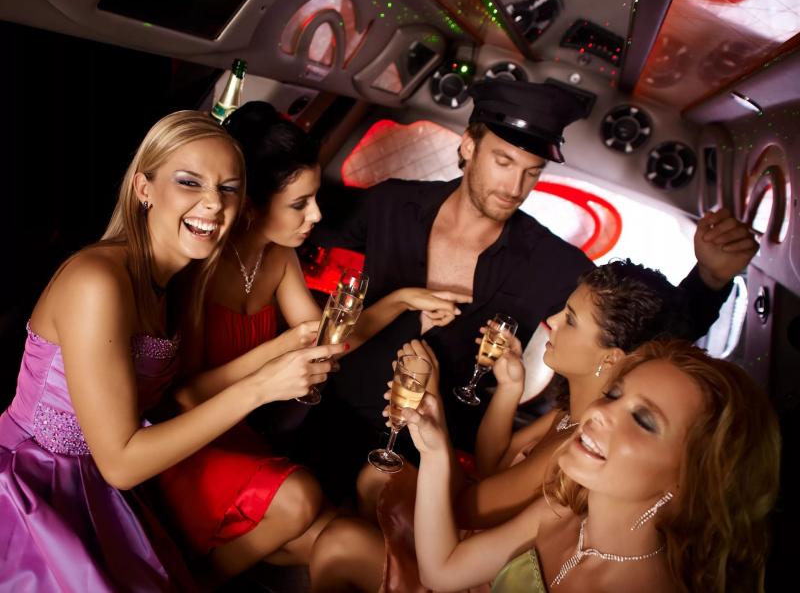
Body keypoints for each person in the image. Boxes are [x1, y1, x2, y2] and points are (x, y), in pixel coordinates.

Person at [304, 78, 759, 494]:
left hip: (423, 455)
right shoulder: (392, 204)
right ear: (468, 146)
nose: (515, 186)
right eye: (503, 162)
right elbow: (297, 227)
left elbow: (652, 335)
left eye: (532, 171)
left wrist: (711, 278)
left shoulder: (549, 261)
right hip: (325, 411)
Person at [0, 110, 343, 592]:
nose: (213, 203)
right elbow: (121, 463)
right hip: (33, 487)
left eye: (228, 188)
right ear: (144, 188)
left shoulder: (172, 284)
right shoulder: (98, 281)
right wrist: (261, 387)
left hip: (100, 488)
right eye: (189, 182)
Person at [155, 101, 470, 580]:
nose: (317, 214)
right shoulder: (202, 266)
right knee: (301, 499)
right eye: (300, 204)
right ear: (253, 204)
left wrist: (402, 299)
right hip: (188, 442)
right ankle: (185, 580)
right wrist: (279, 350)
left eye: (315, 198)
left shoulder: (279, 257)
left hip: (239, 435)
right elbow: (186, 397)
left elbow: (329, 340)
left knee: (342, 537)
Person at [309, 260, 705, 592]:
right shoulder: (568, 415)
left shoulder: (581, 446)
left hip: (472, 558)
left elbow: (466, 509)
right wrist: (509, 388)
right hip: (471, 545)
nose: (551, 322)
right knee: (375, 478)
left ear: (610, 358)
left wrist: (436, 414)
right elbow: (492, 464)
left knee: (339, 540)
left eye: (569, 319)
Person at [409, 339, 780, 592]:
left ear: (690, 477)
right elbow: (442, 571)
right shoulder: (562, 511)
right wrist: (434, 453)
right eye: (614, 394)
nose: (599, 411)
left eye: (644, 420)